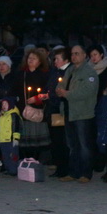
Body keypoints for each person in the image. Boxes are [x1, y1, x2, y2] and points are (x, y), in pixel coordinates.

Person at [55, 44, 99, 183]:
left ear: (84, 55)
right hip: (70, 112)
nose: (74, 56)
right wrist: (60, 90)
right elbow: (60, 85)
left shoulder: (89, 73)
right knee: (72, 145)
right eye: (72, 54)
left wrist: (67, 94)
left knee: (84, 145)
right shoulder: (70, 71)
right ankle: (73, 172)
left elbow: (87, 92)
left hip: (83, 114)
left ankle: (86, 173)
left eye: (77, 53)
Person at [12, 49, 51, 160]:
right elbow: (13, 90)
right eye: (29, 58)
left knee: (37, 142)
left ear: (40, 61)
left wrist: (37, 99)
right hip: (23, 111)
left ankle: (35, 162)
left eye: (34, 58)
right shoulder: (21, 74)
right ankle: (26, 162)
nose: (31, 60)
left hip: (37, 111)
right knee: (24, 141)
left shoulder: (44, 75)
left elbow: (47, 93)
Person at [45, 46, 70, 177]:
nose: (55, 61)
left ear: (65, 60)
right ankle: (59, 167)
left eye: (57, 59)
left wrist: (53, 96)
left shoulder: (69, 72)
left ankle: (66, 168)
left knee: (64, 141)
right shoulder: (55, 72)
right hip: (53, 110)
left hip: (63, 111)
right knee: (56, 141)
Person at [0, 96, 22, 176]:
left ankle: (13, 170)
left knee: (13, 156)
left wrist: (16, 138)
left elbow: (16, 127)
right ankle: (8, 168)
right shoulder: (2, 115)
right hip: (2, 140)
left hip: (11, 139)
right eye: (2, 104)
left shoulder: (14, 115)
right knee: (5, 156)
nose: (3, 106)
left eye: (6, 104)